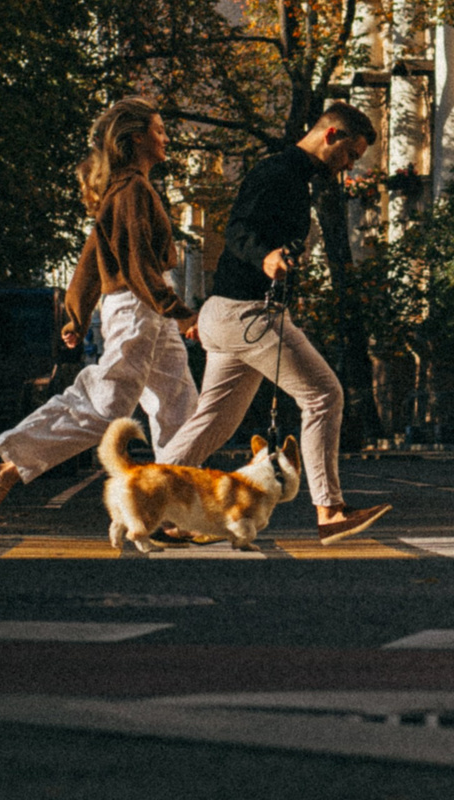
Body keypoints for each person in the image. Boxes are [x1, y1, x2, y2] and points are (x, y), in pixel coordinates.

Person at [155, 103, 389, 542]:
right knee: (323, 395)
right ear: (332, 134)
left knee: (214, 423)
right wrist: (266, 256)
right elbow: (239, 229)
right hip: (248, 313)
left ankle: (155, 504)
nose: (351, 165)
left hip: (227, 314)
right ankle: (330, 509)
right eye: (351, 153)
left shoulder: (296, 179)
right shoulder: (277, 173)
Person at [0, 98, 199, 523]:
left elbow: (91, 256)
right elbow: (137, 263)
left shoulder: (125, 188)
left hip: (142, 306)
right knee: (109, 407)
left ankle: (174, 510)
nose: (165, 137)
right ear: (136, 138)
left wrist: (76, 314)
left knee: (179, 405)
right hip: (139, 305)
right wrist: (179, 311)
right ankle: (10, 463)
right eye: (158, 130)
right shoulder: (132, 190)